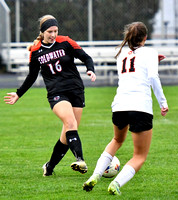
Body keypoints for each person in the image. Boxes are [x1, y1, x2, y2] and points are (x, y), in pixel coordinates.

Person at [4, 15, 96, 176]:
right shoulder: (36, 51)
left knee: (67, 134)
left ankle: (49, 166)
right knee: (70, 122)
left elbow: (86, 57)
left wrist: (90, 69)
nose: (53, 34)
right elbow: (32, 76)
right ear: (42, 32)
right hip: (56, 93)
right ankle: (80, 160)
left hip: (76, 90)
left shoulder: (66, 41)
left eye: (55, 30)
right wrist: (18, 93)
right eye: (49, 31)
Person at [83, 22, 168, 195]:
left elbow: (134, 63)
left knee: (117, 140)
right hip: (140, 107)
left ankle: (95, 175)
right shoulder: (149, 52)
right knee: (139, 156)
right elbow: (152, 76)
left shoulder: (120, 52)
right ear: (145, 38)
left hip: (120, 105)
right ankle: (116, 183)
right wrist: (163, 102)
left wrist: (152, 60)